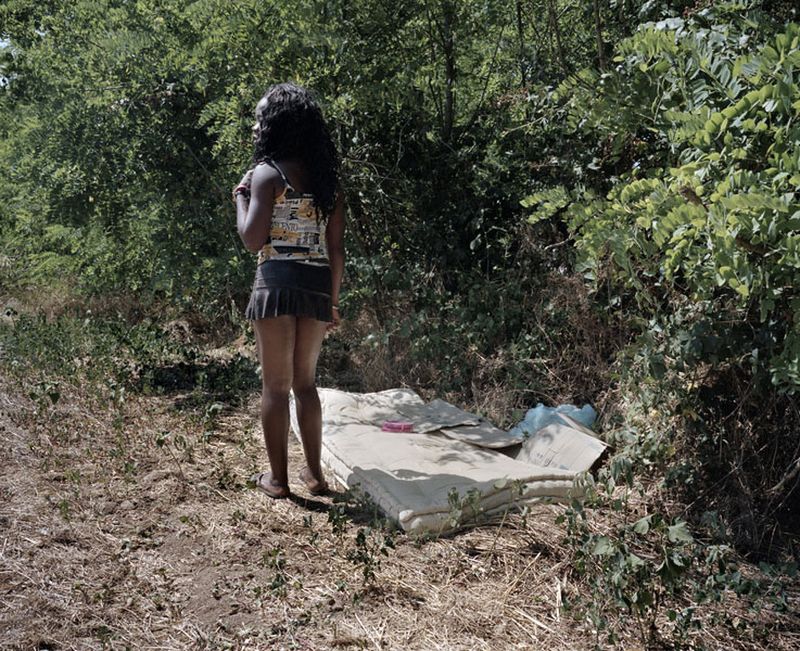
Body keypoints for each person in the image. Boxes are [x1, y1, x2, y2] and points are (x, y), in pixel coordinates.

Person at [233, 82, 344, 499]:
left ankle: (278, 480)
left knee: (275, 388)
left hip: (276, 285)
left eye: (261, 117)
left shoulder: (266, 174)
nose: (256, 125)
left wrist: (240, 200)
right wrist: (332, 302)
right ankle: (315, 476)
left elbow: (252, 239)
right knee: (306, 386)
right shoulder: (327, 181)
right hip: (316, 287)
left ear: (276, 125)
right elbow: (336, 249)